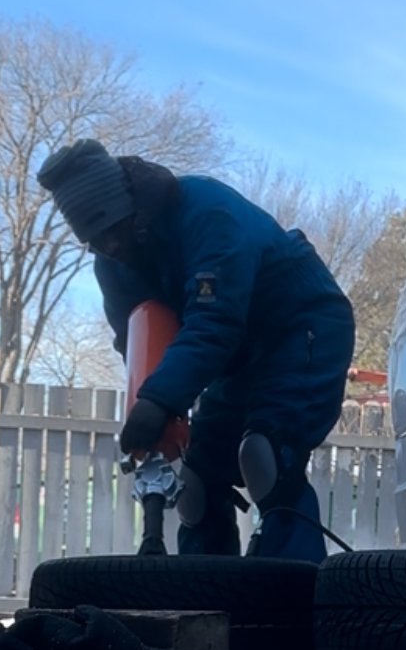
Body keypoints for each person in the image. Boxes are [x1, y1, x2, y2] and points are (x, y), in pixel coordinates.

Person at [37, 139, 355, 563]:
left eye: (114, 231)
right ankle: (204, 596)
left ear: (134, 208)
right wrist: (153, 413)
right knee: (197, 483)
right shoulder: (112, 264)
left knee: (265, 455)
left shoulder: (206, 212)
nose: (110, 247)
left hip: (301, 325)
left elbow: (214, 323)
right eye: (96, 241)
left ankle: (295, 593)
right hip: (234, 355)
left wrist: (159, 399)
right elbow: (137, 345)